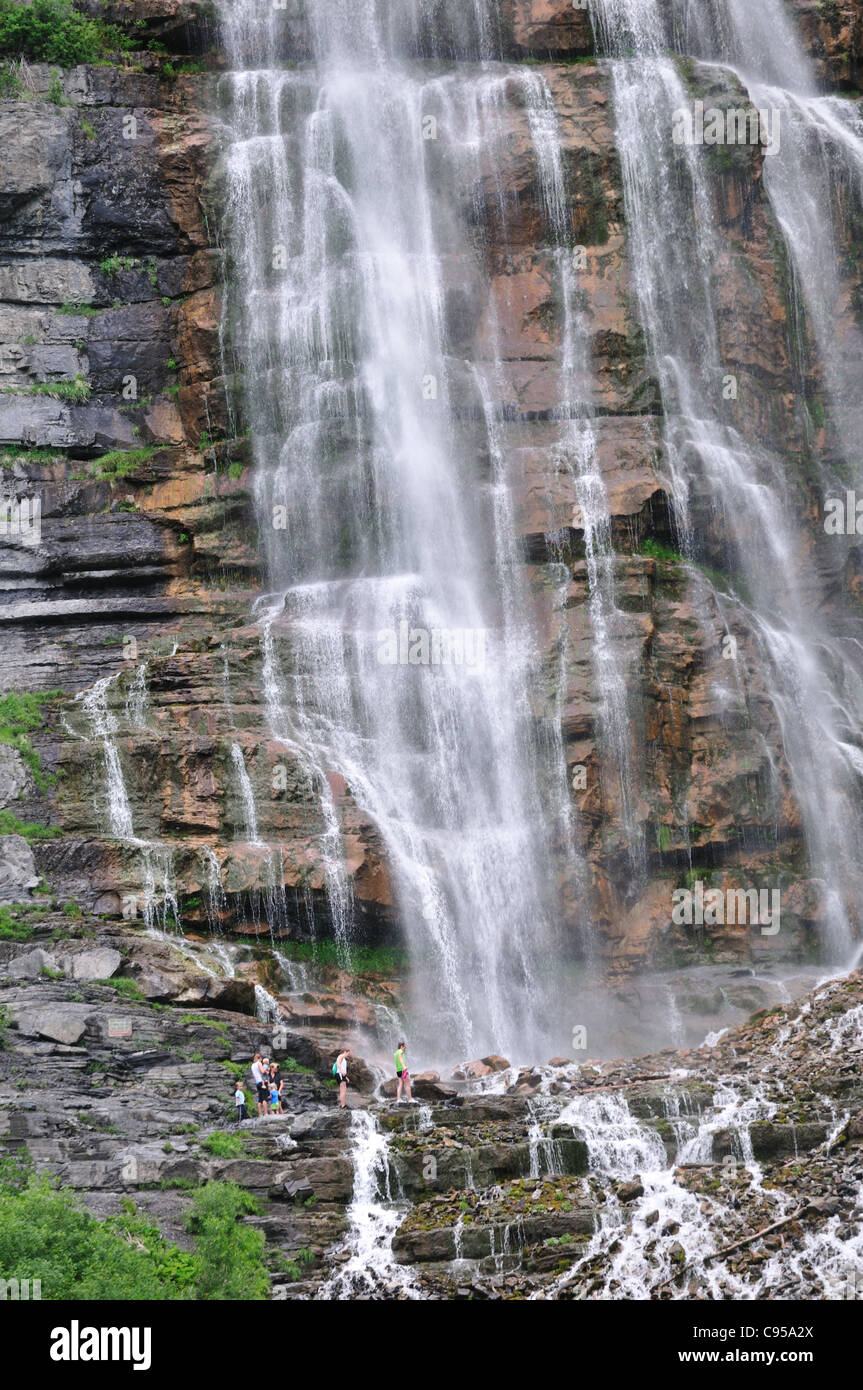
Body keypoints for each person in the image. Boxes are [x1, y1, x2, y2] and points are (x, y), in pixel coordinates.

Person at [251, 1051, 268, 1118]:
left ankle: (260, 1114)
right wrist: (266, 1071)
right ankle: (266, 1113)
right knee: (264, 1098)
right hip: (262, 1082)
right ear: (259, 1058)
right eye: (261, 1059)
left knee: (260, 1099)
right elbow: (262, 1071)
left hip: (257, 1083)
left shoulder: (252, 1065)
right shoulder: (259, 1063)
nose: (261, 1060)